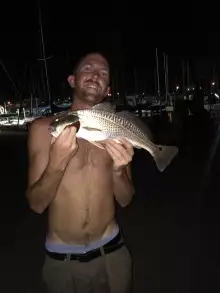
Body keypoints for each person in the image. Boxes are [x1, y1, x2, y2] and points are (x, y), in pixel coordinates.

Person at [26, 52, 135, 293]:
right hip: (63, 263)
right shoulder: (43, 129)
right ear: (72, 79)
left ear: (108, 89)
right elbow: (36, 204)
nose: (96, 74)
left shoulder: (117, 130)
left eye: (104, 73)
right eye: (88, 68)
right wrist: (56, 163)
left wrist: (118, 172)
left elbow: (126, 200)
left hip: (113, 254)